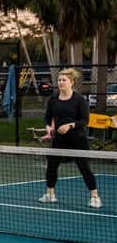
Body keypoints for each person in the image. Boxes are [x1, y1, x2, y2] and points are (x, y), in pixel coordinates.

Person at [38, 68, 102, 209]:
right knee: (51, 167)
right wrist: (48, 127)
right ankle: (50, 194)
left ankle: (95, 197)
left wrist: (70, 125)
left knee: (84, 168)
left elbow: (85, 120)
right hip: (59, 140)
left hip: (77, 139)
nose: (61, 82)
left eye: (64, 80)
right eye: (59, 80)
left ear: (71, 82)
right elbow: (48, 117)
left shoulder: (79, 100)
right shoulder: (53, 99)